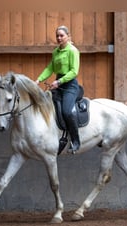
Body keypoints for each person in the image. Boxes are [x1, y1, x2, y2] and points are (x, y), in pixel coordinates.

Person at [35, 25, 81, 154]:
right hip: (58, 84)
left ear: (68, 36)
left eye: (62, 35)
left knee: (67, 111)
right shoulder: (55, 52)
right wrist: (38, 80)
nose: (59, 38)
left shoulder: (73, 51)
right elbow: (50, 68)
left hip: (69, 85)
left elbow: (74, 71)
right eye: (57, 36)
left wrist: (59, 81)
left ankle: (76, 140)